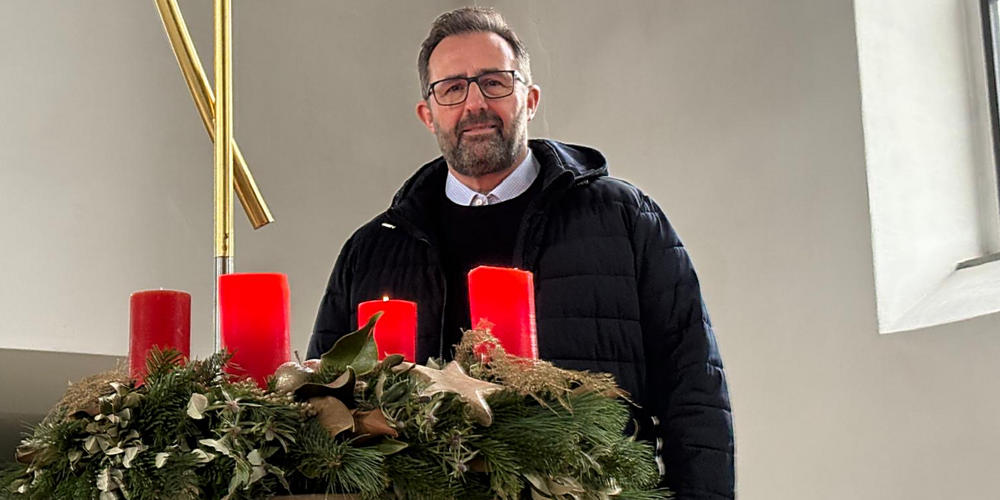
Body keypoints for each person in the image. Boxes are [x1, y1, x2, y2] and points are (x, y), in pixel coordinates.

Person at [307, 7, 734, 499]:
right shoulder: (373, 250)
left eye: (495, 82)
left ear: (529, 99)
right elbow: (322, 411)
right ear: (428, 114)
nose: (475, 104)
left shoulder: (624, 219)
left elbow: (695, 389)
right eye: (452, 88)